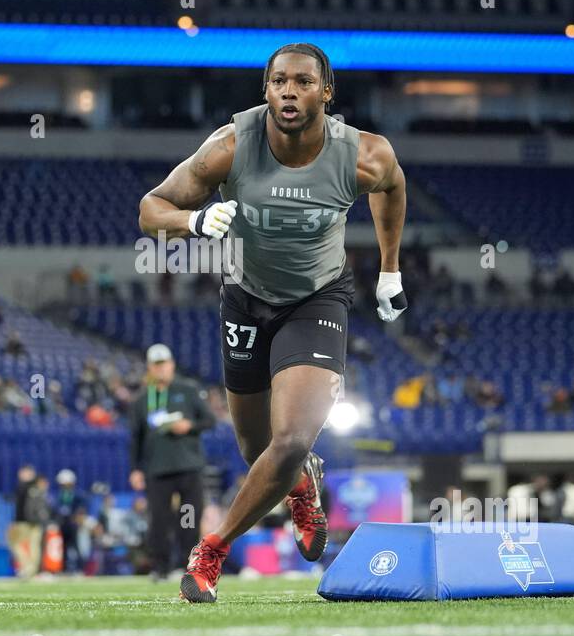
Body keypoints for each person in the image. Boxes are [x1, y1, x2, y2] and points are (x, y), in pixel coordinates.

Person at [138, 42, 407, 602]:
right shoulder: (231, 146)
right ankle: (301, 483)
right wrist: (194, 221)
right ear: (265, 89)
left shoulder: (364, 154)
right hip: (245, 299)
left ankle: (211, 551)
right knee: (255, 447)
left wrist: (389, 270)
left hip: (317, 300)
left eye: (303, 82)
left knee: (289, 440)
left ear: (326, 92)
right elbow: (150, 210)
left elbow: (392, 188)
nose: (289, 91)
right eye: (279, 81)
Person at [127, 344, 216, 581]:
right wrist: (135, 469)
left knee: (189, 518)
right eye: (156, 365)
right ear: (149, 368)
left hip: (188, 466)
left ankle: (189, 565)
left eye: (164, 363)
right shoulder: (141, 399)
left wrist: (189, 426)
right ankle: (160, 567)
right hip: (156, 469)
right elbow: (135, 438)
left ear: (172, 365)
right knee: (158, 519)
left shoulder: (187, 390)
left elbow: (209, 420)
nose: (160, 369)